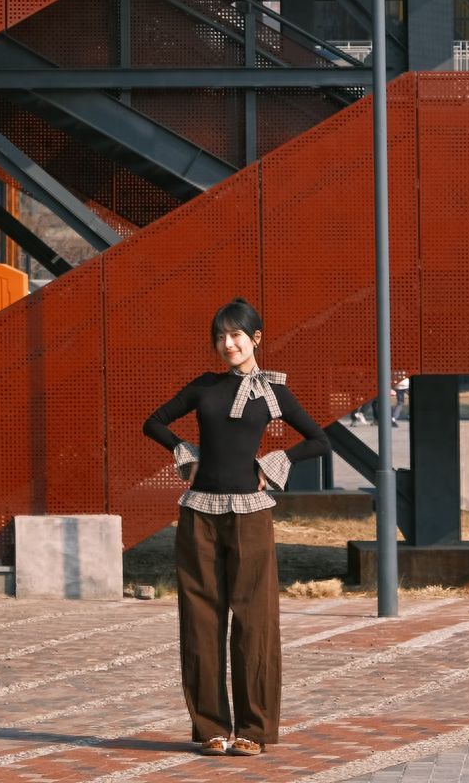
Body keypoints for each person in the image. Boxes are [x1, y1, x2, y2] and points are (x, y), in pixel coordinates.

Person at [143, 298, 333, 756]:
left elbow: (320, 441)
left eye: (236, 335)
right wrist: (183, 452)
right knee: (201, 620)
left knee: (254, 622)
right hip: (198, 515)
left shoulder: (274, 392)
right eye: (221, 337)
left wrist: (277, 460)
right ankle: (209, 727)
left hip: (251, 514)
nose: (227, 344)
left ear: (256, 339)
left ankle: (253, 729)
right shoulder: (204, 387)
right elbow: (154, 422)